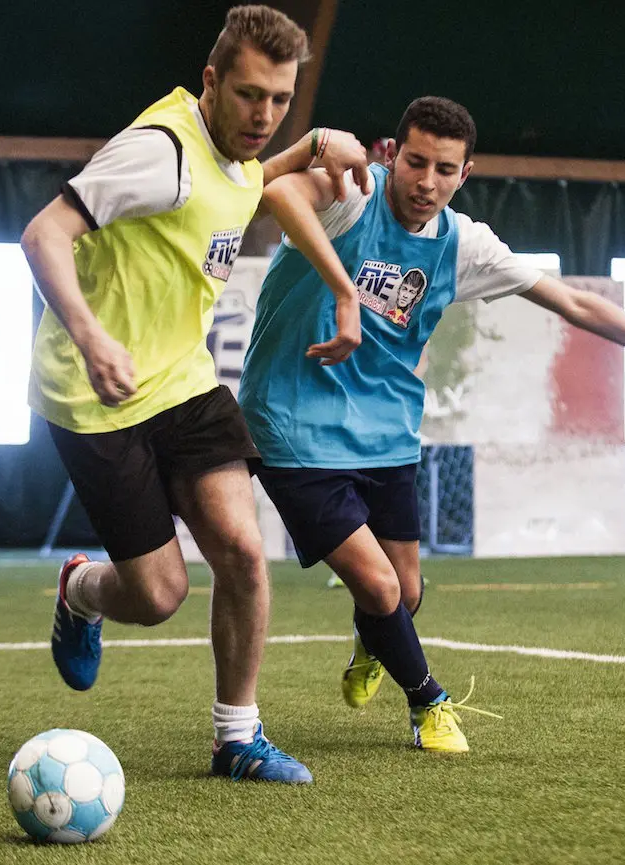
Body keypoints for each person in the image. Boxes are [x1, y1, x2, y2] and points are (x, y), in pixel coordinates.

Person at [240, 96, 625, 752]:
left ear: (466, 173)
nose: (427, 181)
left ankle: (375, 642)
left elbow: (573, 302)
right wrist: (344, 288)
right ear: (388, 154)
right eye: (416, 162)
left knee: (408, 591)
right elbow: (277, 188)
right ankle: (429, 701)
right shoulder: (351, 194)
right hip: (291, 418)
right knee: (377, 583)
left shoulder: (465, 244)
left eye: (445, 169)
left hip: (387, 427)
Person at [19, 5, 373, 784]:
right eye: (250, 96)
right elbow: (42, 234)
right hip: (94, 390)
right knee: (158, 594)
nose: (264, 116)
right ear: (211, 81)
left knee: (245, 551)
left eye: (280, 100)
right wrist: (89, 334)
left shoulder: (239, 153)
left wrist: (314, 145)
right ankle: (81, 589)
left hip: (182, 380)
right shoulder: (157, 154)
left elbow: (246, 180)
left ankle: (236, 738)